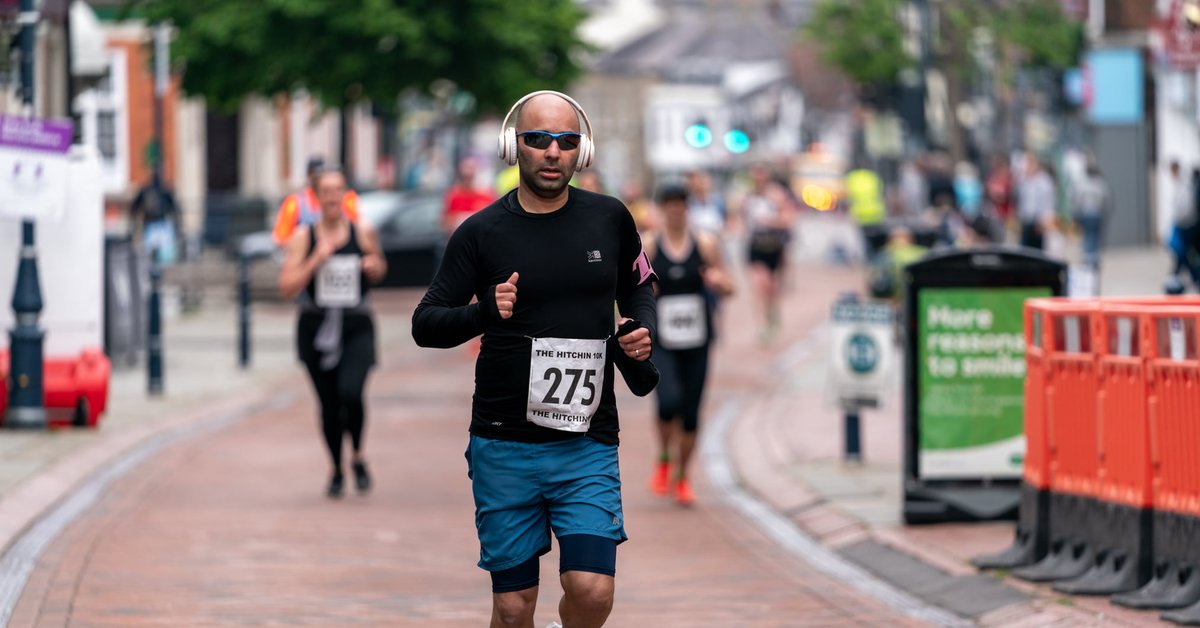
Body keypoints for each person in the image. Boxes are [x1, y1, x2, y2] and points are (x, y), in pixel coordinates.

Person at [411, 90, 657, 628]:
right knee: (513, 606)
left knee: (591, 591)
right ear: (512, 145)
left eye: (566, 141)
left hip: (585, 440)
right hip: (505, 443)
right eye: (538, 139)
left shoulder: (611, 219)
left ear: (582, 152)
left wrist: (641, 330)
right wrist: (482, 311)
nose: (552, 151)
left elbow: (639, 286)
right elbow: (425, 325)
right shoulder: (480, 233)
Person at [278, 167, 387, 498]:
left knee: (351, 393)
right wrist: (315, 260)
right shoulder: (303, 237)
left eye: (336, 190)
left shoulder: (362, 231)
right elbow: (286, 286)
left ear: (345, 195)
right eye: (324, 191)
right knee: (328, 403)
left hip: (355, 325)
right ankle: (337, 468)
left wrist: (372, 266)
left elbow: (381, 267)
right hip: (316, 328)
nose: (330, 197)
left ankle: (357, 454)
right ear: (315, 195)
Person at [643, 184, 734, 506]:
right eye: (669, 204)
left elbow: (729, 286)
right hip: (664, 339)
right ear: (661, 209)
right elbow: (633, 291)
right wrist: (646, 295)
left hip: (698, 338)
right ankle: (664, 458)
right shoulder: (650, 245)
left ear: (687, 208)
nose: (675, 210)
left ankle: (683, 476)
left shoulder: (705, 244)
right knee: (668, 403)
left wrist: (719, 283)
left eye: (680, 204)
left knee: (692, 412)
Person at [740, 163, 796, 345]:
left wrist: (770, 220)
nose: (759, 180)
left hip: (774, 247)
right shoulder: (747, 197)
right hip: (755, 247)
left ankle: (773, 313)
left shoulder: (777, 195)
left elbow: (789, 219)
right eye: (755, 177)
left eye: (762, 176)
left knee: (771, 287)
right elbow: (740, 219)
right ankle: (763, 324)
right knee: (761, 285)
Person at [272, 156, 360, 246]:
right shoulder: (294, 203)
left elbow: (357, 227)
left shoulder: (347, 199)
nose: (332, 198)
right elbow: (281, 238)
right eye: (325, 191)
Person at [130, 172, 179, 265]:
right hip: (154, 224)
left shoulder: (157, 190)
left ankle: (158, 271)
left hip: (158, 224)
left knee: (163, 255)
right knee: (155, 254)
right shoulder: (161, 190)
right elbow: (174, 208)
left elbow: (134, 207)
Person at [1071, 157, 1108, 268]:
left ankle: (1088, 260)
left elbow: (1076, 200)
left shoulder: (1082, 183)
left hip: (1086, 214)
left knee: (1088, 237)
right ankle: (1093, 260)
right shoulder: (1100, 182)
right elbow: (1104, 198)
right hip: (1096, 214)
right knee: (1094, 237)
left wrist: (1076, 214)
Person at [443, 156, 496, 233]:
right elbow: (444, 222)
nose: (467, 181)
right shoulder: (454, 195)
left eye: (470, 176)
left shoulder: (487, 195)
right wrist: (459, 220)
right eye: (465, 177)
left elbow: (495, 218)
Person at [1168, 160, 1200, 287]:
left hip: (1186, 225)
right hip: (1185, 223)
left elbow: (1186, 206)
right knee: (1183, 252)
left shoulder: (1184, 183)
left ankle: (1180, 276)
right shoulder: (1181, 182)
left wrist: (1178, 220)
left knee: (1181, 251)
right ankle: (1190, 276)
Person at [1016, 152, 1057, 251]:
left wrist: (1046, 219)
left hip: (1039, 222)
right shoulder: (1024, 181)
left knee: (1037, 252)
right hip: (1026, 221)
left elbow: (1048, 201)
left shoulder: (1044, 181)